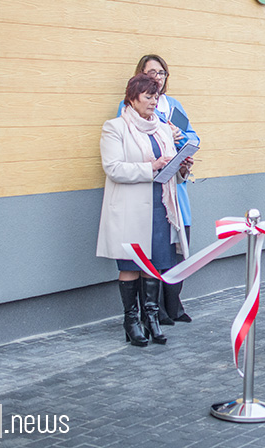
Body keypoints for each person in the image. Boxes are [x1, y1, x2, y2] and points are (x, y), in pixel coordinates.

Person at [97, 74, 194, 347]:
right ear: (132, 97)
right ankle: (131, 321)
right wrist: (152, 166)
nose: (153, 102)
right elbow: (113, 168)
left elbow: (169, 165)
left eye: (156, 96)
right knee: (131, 265)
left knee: (153, 265)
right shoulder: (115, 127)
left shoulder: (163, 128)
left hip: (160, 207)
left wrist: (182, 166)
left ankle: (152, 318)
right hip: (129, 208)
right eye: (147, 96)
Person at [117, 54, 200, 325]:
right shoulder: (127, 109)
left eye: (162, 73)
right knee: (151, 254)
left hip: (175, 186)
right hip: (147, 189)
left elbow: (193, 136)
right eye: (151, 72)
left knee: (176, 250)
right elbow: (131, 144)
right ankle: (155, 313)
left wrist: (180, 137)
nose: (157, 77)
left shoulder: (173, 105)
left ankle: (173, 306)